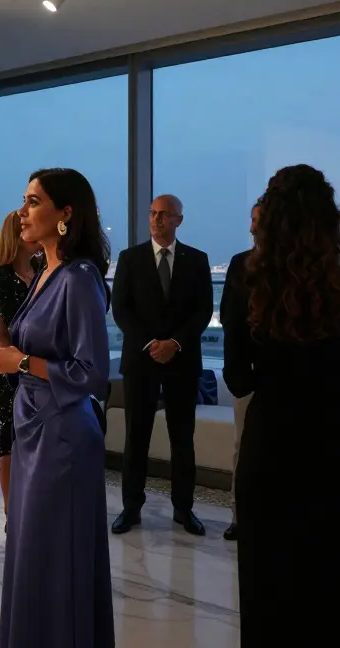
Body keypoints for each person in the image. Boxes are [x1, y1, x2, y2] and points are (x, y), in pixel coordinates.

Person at [223, 164, 340, 646]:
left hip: (270, 444)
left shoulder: (243, 280)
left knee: (268, 588)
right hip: (337, 448)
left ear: (268, 219)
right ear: (328, 222)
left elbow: (235, 378)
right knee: (337, 590)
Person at [0, 168, 115, 648]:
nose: (23, 211)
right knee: (31, 554)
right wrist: (3, 335)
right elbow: (36, 351)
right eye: (25, 200)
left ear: (65, 214)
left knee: (54, 559)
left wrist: (20, 359)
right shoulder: (45, 271)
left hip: (63, 438)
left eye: (33, 201)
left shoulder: (80, 277)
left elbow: (92, 372)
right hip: (35, 431)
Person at [109, 194, 213, 536]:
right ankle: (130, 509)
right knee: (136, 438)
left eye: (165, 215)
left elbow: (203, 310)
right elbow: (121, 309)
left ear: (179, 220)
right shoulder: (130, 258)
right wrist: (151, 344)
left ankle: (184, 510)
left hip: (182, 362)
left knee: (183, 439)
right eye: (153, 213)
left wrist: (175, 344)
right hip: (141, 361)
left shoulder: (197, 260)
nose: (157, 220)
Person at [0, 211, 42, 524]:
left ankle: (29, 511)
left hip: (35, 366)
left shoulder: (41, 270)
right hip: (9, 363)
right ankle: (11, 514)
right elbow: (0, 323)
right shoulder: (0, 275)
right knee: (10, 440)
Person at [218, 196, 262, 541]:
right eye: (251, 219)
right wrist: (235, 375)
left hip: (281, 377)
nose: (252, 227)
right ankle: (239, 515)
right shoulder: (239, 263)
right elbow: (231, 320)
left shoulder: (295, 267)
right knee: (241, 447)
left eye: (257, 219)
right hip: (246, 377)